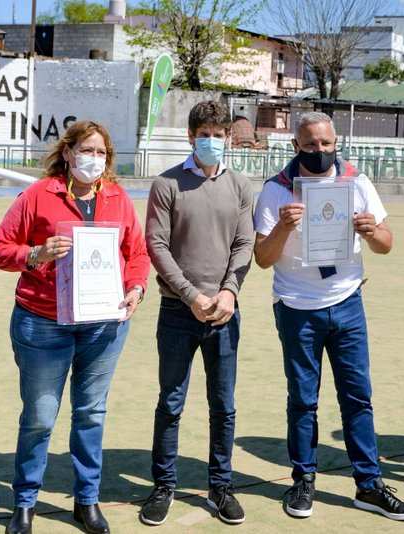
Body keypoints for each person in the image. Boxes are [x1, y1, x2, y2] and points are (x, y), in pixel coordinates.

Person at [253, 111, 404, 522]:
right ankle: (304, 480)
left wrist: (370, 231)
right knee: (303, 401)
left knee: (358, 397)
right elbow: (262, 258)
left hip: (347, 304)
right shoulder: (277, 190)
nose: (319, 151)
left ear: (336, 142)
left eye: (325, 143)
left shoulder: (356, 182)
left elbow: (386, 244)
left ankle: (369, 485)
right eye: (310, 144)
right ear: (295, 145)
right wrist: (283, 229)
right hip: (297, 310)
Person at [0, 120, 150, 534]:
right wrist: (36, 253)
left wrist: (135, 287)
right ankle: (24, 502)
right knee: (41, 416)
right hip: (43, 322)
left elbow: (136, 253)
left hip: (103, 325)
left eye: (101, 153)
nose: (94, 159)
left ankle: (87, 499)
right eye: (87, 150)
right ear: (67, 152)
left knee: (91, 414)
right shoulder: (38, 194)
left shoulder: (118, 198)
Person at [140, 100, 254, 526]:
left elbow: (244, 245)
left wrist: (228, 293)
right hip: (177, 311)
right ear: (191, 137)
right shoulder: (167, 183)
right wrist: (190, 295)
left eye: (219, 134)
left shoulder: (241, 185)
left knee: (223, 405)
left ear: (228, 138)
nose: (211, 141)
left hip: (225, 312)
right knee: (171, 401)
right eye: (203, 134)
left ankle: (220, 486)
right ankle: (163, 485)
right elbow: (157, 245)